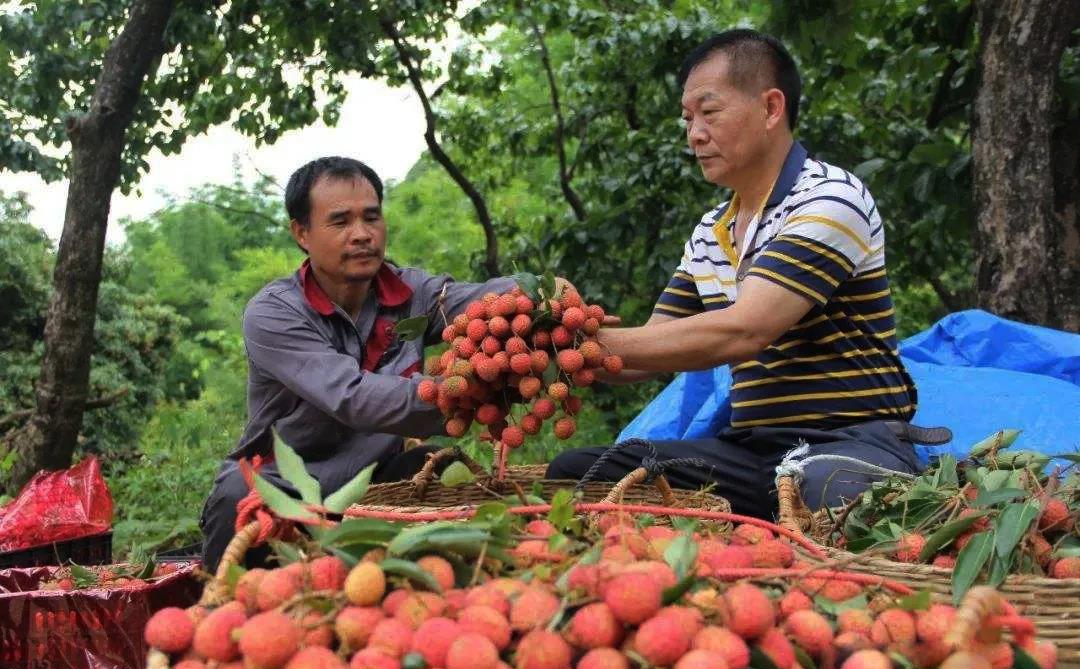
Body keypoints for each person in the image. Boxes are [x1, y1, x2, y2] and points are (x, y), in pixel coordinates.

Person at [546, 29, 940, 516]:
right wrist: (555, 340)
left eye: (709, 113)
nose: (694, 134)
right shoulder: (712, 231)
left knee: (828, 496)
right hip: (752, 450)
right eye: (688, 119)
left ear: (771, 108)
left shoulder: (831, 198)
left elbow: (746, 328)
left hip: (848, 440)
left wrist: (576, 343)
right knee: (579, 472)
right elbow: (649, 352)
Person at [200, 156, 520, 571]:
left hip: (373, 477)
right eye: (340, 222)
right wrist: (469, 389)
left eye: (372, 217)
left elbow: (481, 301)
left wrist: (535, 295)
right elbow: (354, 397)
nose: (362, 234)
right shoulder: (273, 313)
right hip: (284, 482)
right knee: (237, 506)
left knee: (444, 469)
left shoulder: (413, 294)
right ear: (302, 233)